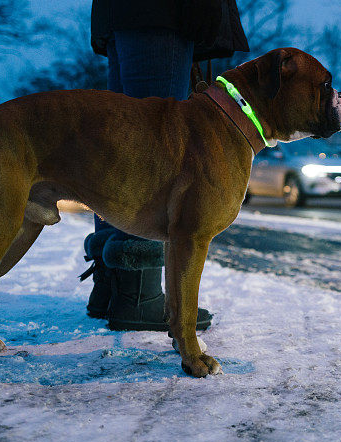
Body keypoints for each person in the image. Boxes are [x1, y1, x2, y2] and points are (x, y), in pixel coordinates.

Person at [84, 0, 249, 331]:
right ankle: (138, 298)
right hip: (165, 14)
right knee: (154, 152)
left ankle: (112, 287)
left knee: (124, 152)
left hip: (125, 15)